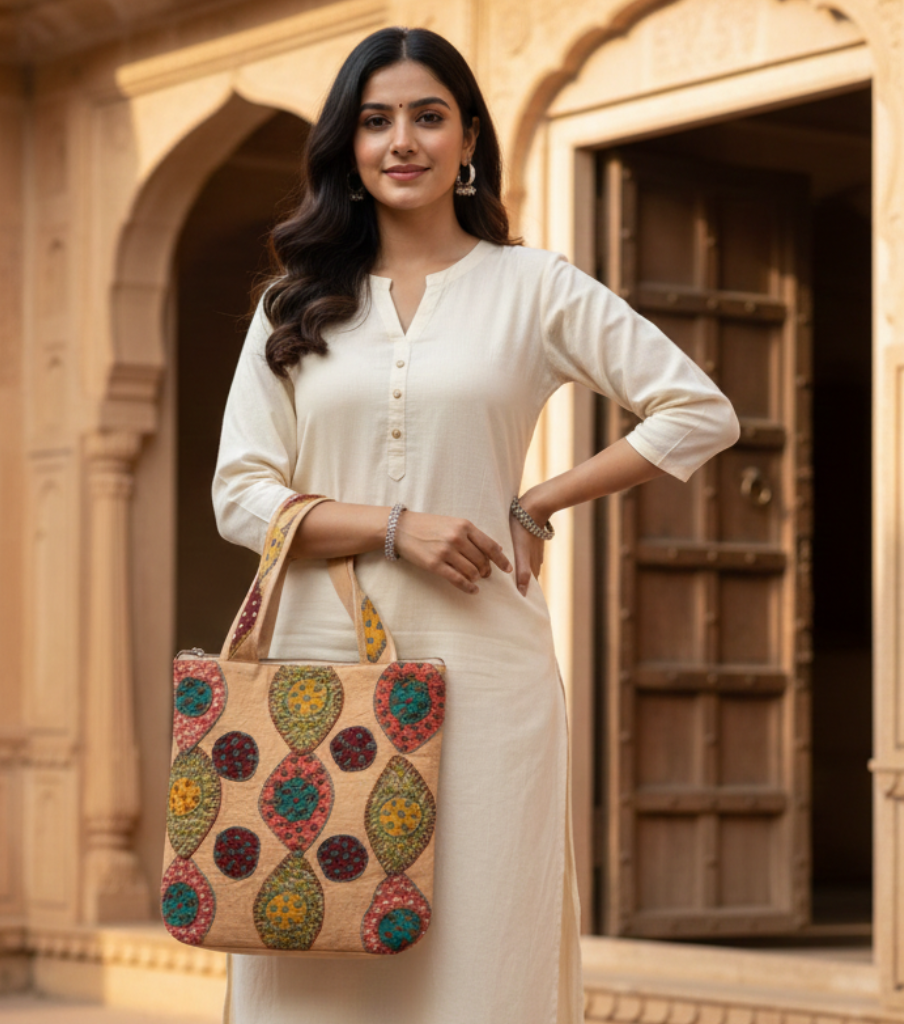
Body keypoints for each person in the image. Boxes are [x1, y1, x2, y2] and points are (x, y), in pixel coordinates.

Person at [211, 25, 740, 1024]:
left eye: (425, 116)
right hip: (315, 668)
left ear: (468, 141)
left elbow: (699, 409)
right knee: (308, 948)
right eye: (374, 121)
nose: (400, 140)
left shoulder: (530, 287)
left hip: (485, 671)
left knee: (482, 957)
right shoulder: (296, 304)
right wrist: (392, 525)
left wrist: (537, 500)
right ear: (347, 147)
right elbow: (239, 494)